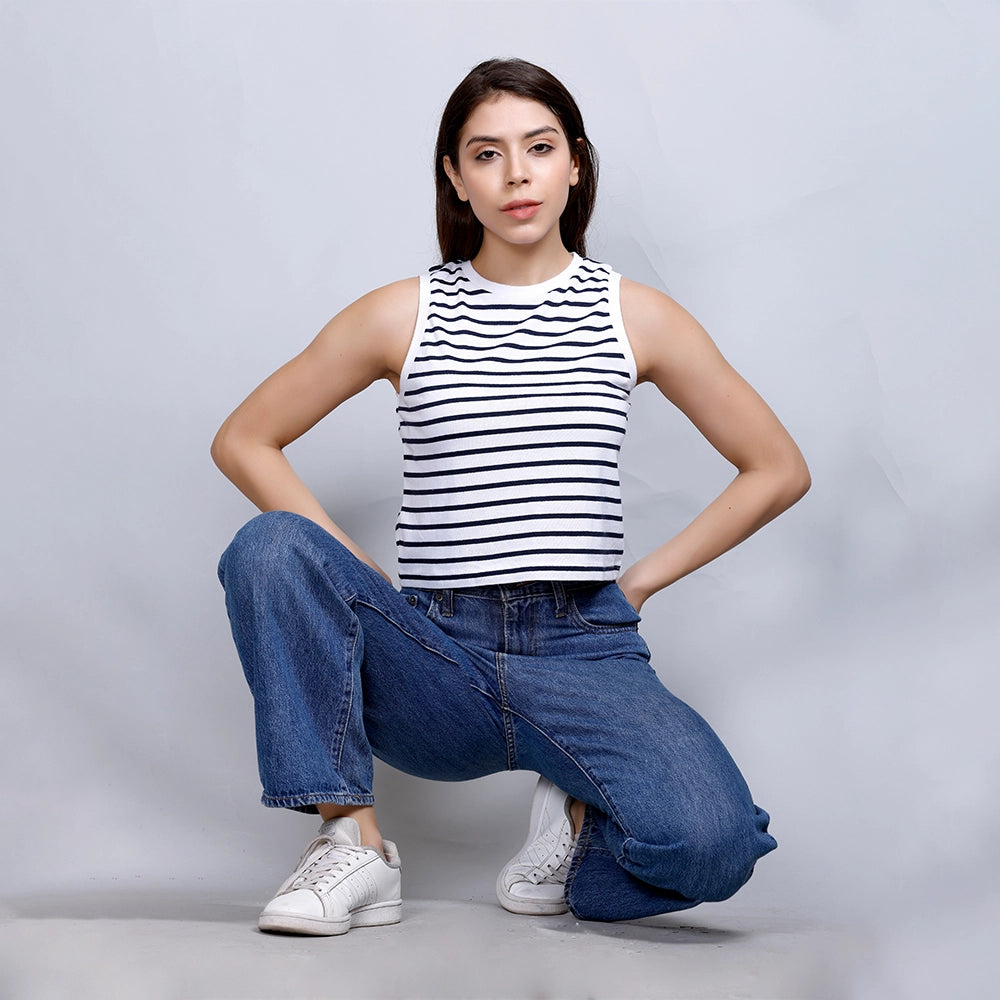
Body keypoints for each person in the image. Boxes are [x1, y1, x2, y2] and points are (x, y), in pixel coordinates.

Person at [213, 57, 810, 936]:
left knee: (713, 847)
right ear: (456, 177)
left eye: (538, 148)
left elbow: (776, 467)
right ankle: (353, 842)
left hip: (583, 654)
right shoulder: (400, 314)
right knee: (269, 546)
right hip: (435, 654)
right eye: (486, 154)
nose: (517, 174)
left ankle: (575, 823)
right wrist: (349, 566)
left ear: (575, 163)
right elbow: (244, 438)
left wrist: (636, 585)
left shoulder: (636, 316)